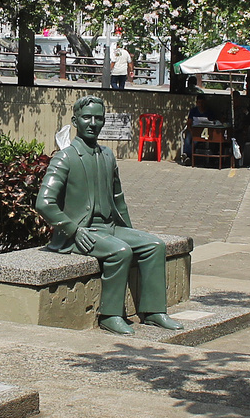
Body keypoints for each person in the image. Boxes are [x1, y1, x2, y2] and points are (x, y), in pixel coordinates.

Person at [36, 96, 184, 335]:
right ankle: (110, 314)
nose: (93, 123)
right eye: (86, 118)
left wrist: (131, 231)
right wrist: (73, 230)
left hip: (110, 227)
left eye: (99, 118)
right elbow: (44, 203)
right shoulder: (65, 157)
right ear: (75, 121)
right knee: (119, 251)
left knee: (154, 245)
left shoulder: (107, 155)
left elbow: (118, 199)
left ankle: (154, 311)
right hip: (81, 232)